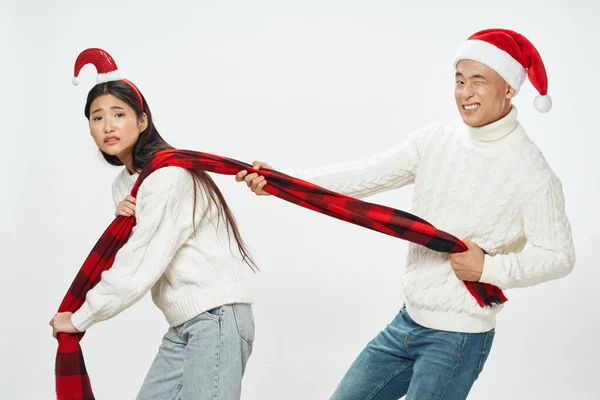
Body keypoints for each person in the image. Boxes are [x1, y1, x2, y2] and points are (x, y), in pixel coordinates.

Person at [236, 28, 575, 399]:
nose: (465, 93)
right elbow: (366, 175)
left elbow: (559, 257)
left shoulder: (532, 173)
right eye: (459, 80)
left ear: (509, 89)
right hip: (406, 322)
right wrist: (281, 183)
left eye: (478, 81)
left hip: (458, 338)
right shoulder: (436, 140)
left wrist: (488, 270)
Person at [49, 49, 256, 400]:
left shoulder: (167, 177)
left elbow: (142, 262)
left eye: (119, 114)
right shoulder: (126, 184)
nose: (108, 125)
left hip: (216, 316)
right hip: (185, 321)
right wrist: (124, 223)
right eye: (97, 118)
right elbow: (131, 248)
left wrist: (81, 317)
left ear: (142, 121)